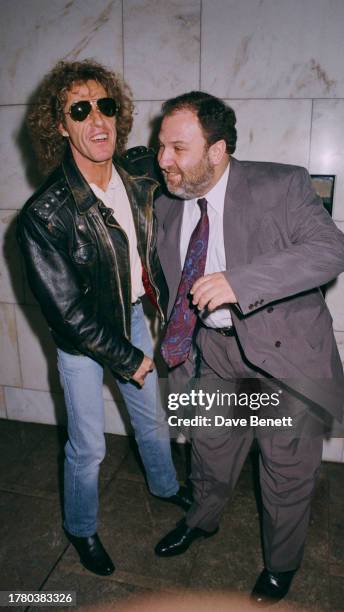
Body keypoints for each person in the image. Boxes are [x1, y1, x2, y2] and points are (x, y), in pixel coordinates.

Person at [152, 91, 344, 604]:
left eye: (177, 148)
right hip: (216, 352)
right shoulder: (167, 205)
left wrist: (241, 281)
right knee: (209, 452)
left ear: (217, 151)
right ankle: (202, 522)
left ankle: (281, 564)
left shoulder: (280, 184)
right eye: (160, 147)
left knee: (285, 469)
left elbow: (331, 251)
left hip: (286, 355)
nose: (163, 160)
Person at [17, 60, 191, 577]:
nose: (98, 119)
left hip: (133, 316)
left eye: (106, 105)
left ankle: (165, 487)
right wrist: (129, 358)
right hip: (83, 341)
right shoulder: (45, 215)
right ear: (60, 125)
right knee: (88, 446)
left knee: (152, 421)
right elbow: (67, 314)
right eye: (80, 109)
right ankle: (81, 528)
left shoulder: (138, 171)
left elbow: (190, 169)